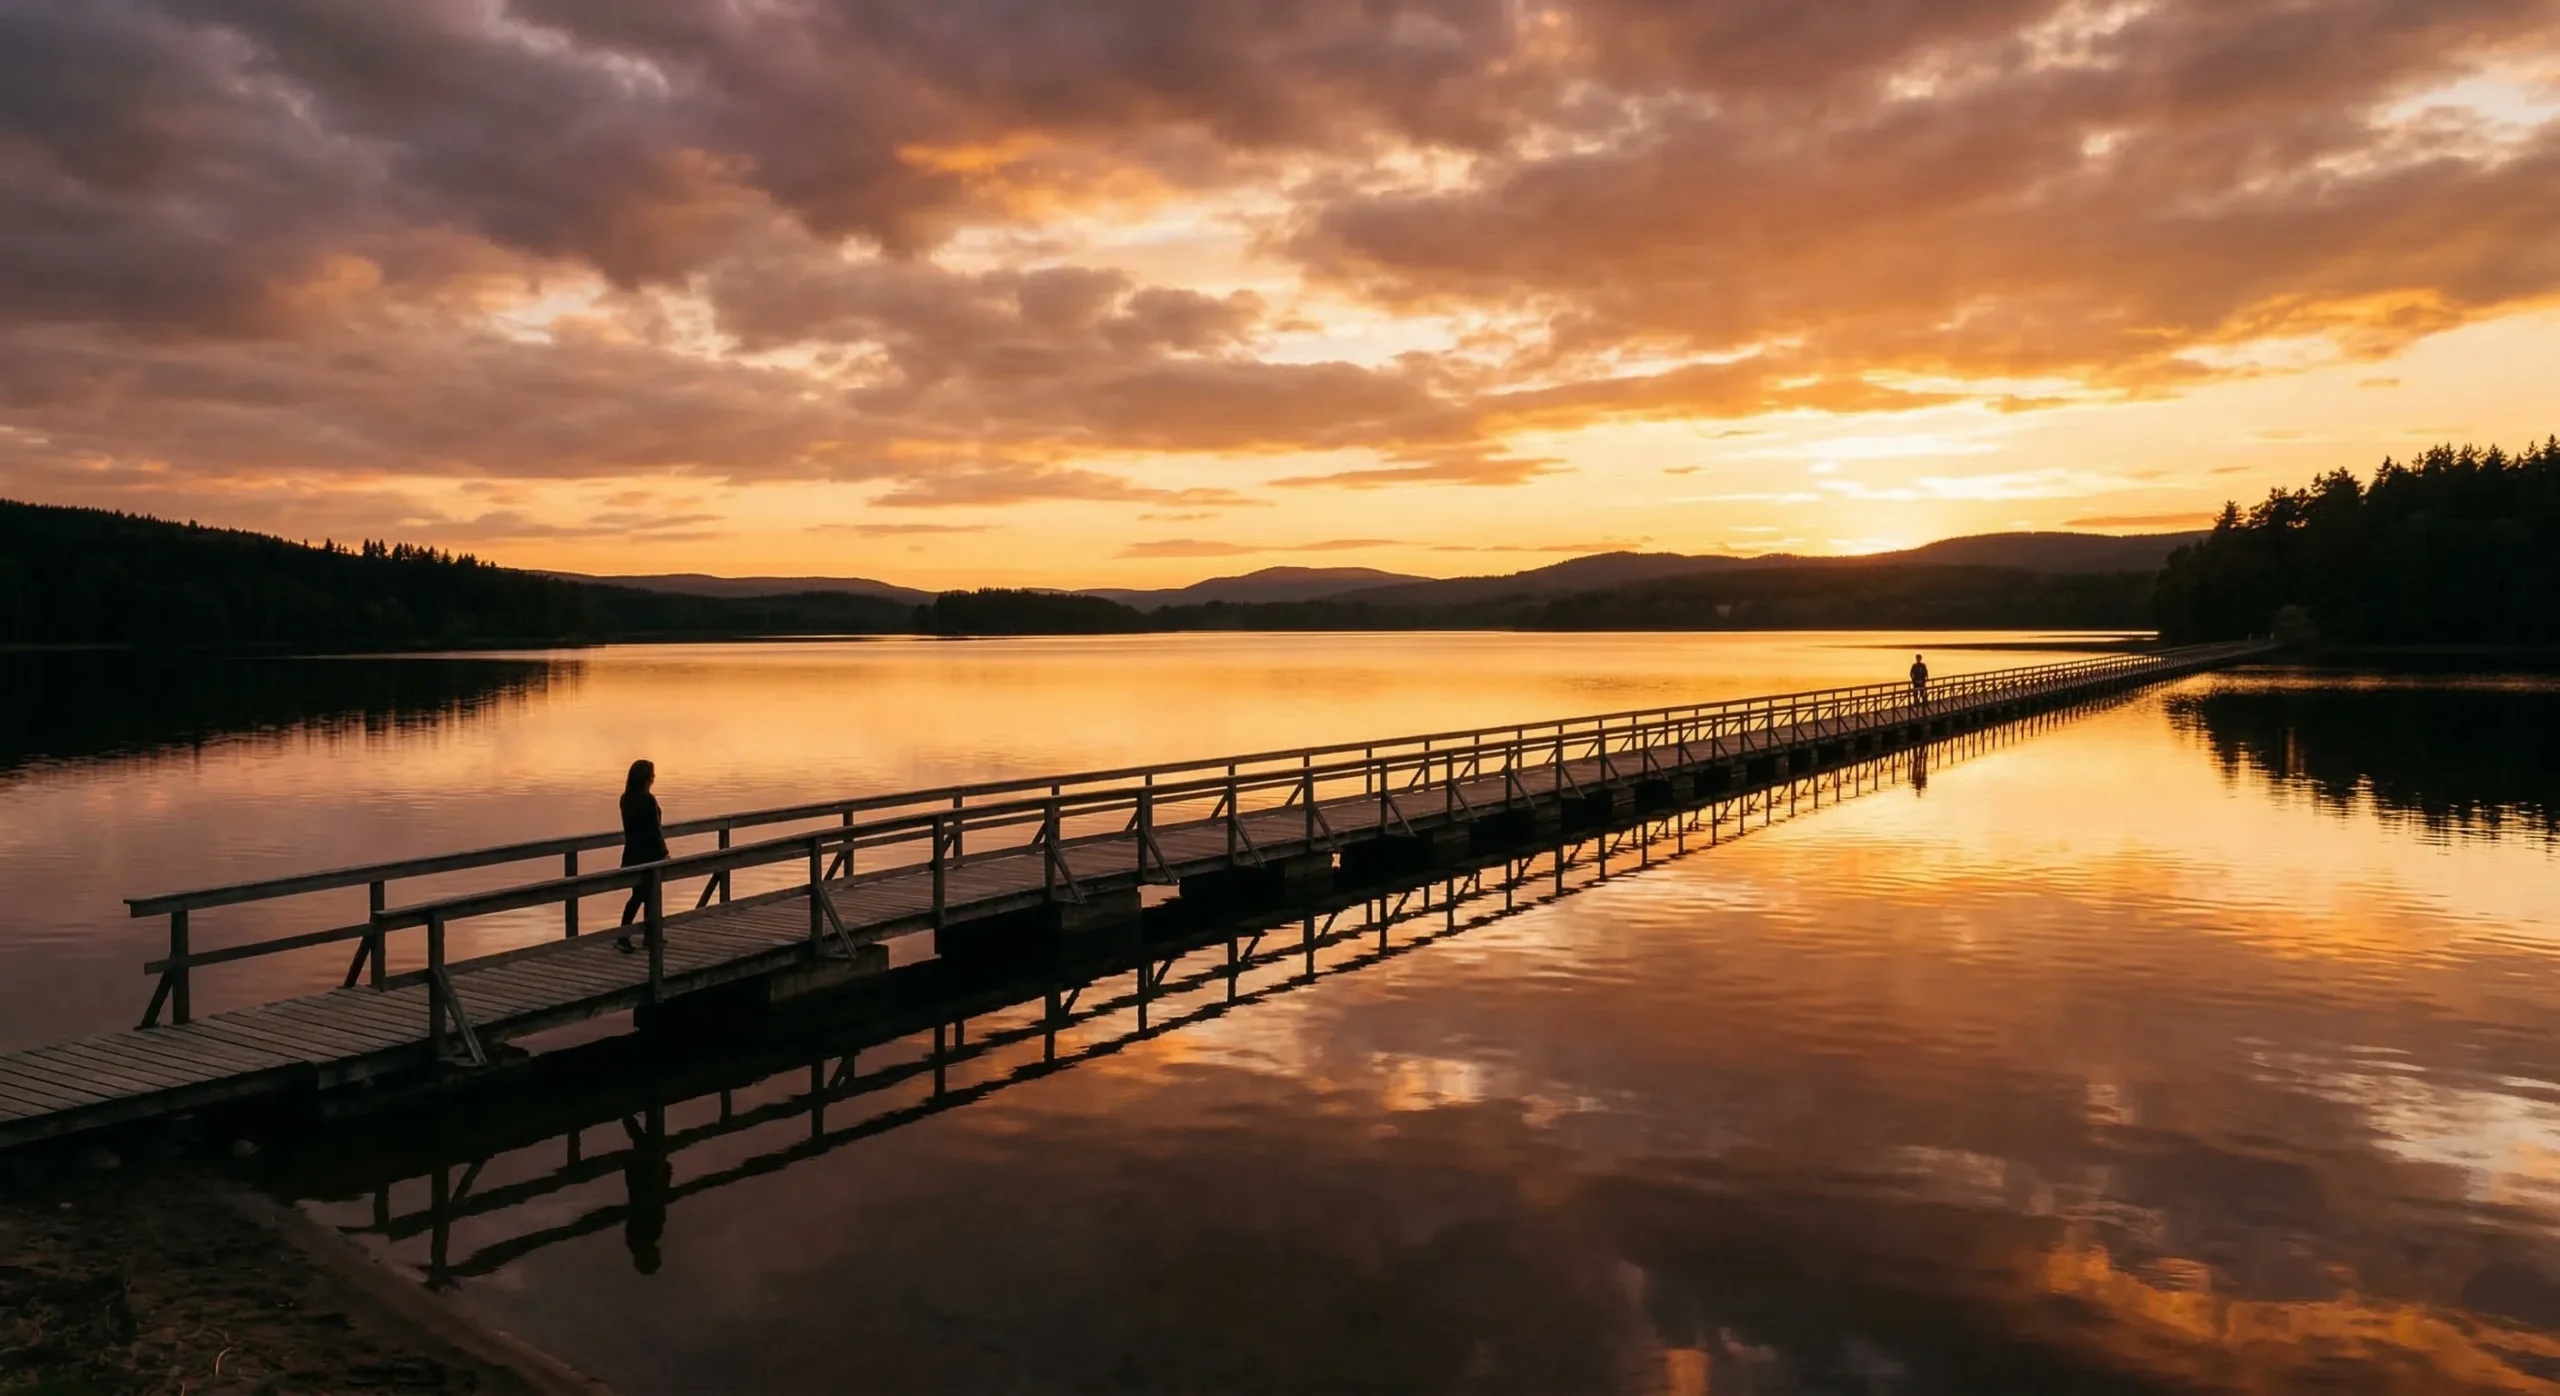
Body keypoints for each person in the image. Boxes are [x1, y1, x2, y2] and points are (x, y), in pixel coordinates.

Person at [615, 759, 667, 952]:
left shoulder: (626, 799)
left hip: (632, 854)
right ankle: (626, 938)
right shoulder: (648, 800)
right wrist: (664, 852)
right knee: (643, 896)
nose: (654, 778)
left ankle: (647, 936)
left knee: (641, 896)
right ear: (645, 778)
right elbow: (655, 830)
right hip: (649, 855)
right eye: (652, 775)